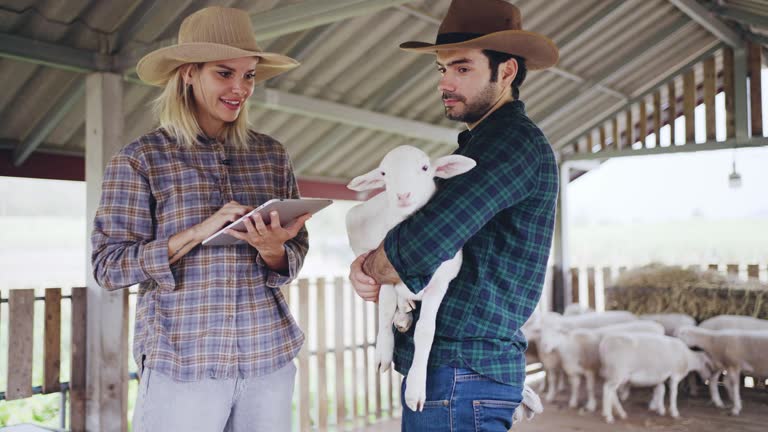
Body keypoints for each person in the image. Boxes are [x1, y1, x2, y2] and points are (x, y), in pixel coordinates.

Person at [91, 7, 310, 432]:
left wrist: (274, 251)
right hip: (183, 365)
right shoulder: (141, 159)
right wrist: (197, 232)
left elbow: (295, 253)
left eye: (248, 76)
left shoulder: (271, 155)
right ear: (189, 73)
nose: (240, 88)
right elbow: (108, 267)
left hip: (268, 360)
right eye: (224, 74)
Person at [348, 0, 560, 430]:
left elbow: (422, 244)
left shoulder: (508, 144)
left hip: (461, 373)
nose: (445, 82)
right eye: (441, 69)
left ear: (507, 72)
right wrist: (375, 268)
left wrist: (369, 265)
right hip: (461, 374)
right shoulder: (475, 145)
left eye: (462, 69)